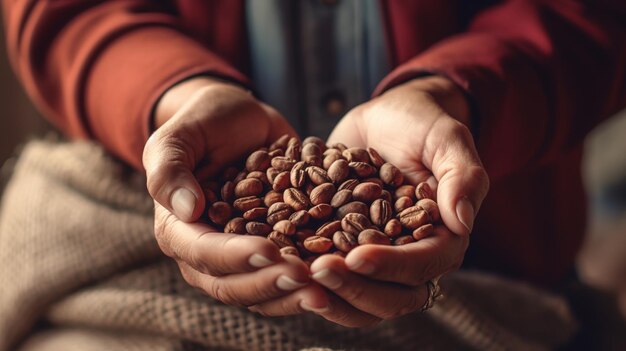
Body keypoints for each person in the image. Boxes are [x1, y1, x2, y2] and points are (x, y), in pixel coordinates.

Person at [3, 0, 626, 328]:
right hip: (140, 268)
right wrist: (178, 95)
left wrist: (455, 93)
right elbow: (65, 10)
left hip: (507, 285)